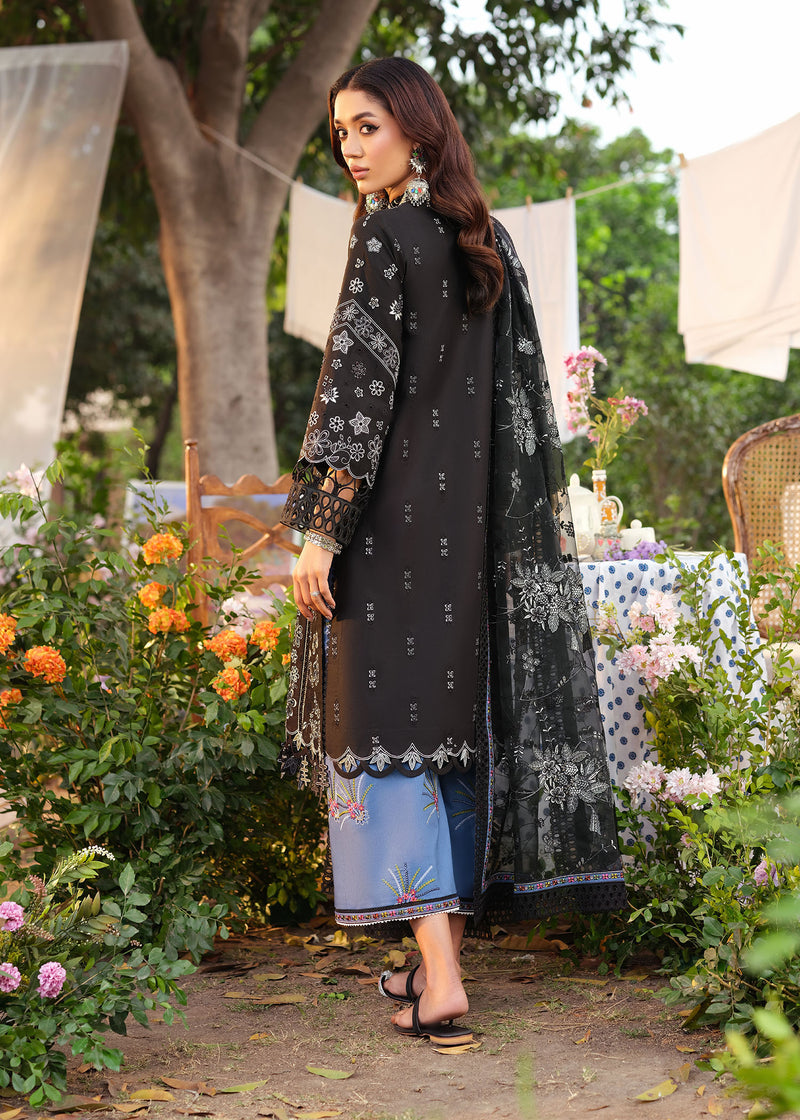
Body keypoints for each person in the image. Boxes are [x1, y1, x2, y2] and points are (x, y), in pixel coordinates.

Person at [280, 56, 626, 1047]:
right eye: (340, 131)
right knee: (448, 749)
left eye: (367, 128)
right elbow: (515, 419)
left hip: (389, 541)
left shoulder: (385, 236)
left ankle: (438, 979)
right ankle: (434, 962)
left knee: (382, 744)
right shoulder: (488, 245)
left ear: (419, 133)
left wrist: (319, 531)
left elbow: (354, 398)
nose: (349, 148)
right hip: (472, 542)